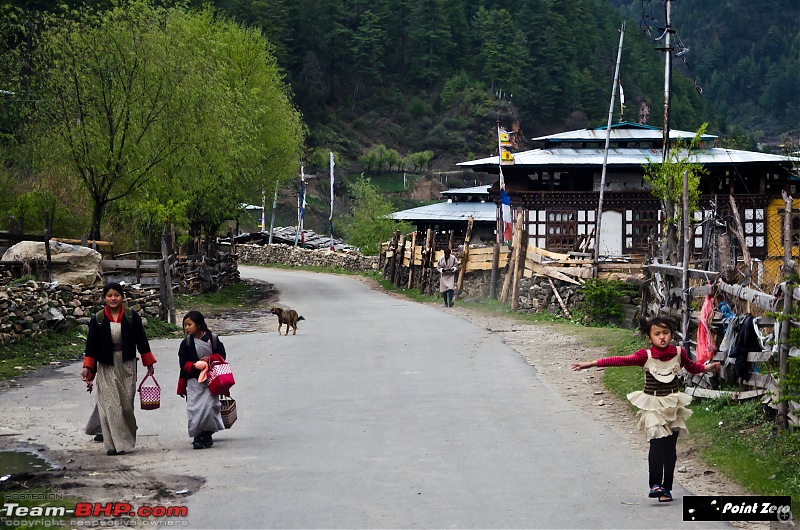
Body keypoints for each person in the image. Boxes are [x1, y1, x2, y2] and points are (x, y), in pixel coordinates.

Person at [571, 316, 720, 503]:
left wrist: (708, 368)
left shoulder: (678, 353)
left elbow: (692, 367)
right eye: (657, 334)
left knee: (670, 450)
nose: (662, 337)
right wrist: (592, 363)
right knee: (656, 445)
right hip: (653, 406)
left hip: (673, 405)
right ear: (650, 338)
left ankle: (667, 488)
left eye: (666, 333)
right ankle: (655, 485)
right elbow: (621, 360)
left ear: (672, 334)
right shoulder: (645, 356)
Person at [81, 282, 157, 456]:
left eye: (116, 295)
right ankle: (114, 444)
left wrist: (148, 363)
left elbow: (142, 341)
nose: (113, 298)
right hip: (106, 365)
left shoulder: (131, 316)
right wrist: (88, 368)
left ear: (122, 297)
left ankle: (125, 437)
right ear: (104, 298)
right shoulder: (98, 319)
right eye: (109, 295)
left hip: (127, 364)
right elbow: (91, 346)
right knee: (110, 405)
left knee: (126, 405)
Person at [177, 311, 226, 450]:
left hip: (211, 381)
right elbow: (183, 364)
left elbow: (222, 356)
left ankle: (207, 434)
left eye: (189, 324)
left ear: (198, 325)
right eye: (185, 325)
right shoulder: (186, 343)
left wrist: (210, 359)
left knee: (209, 408)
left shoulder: (213, 339)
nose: (186, 328)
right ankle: (197, 436)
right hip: (194, 382)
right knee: (195, 409)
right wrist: (193, 365)